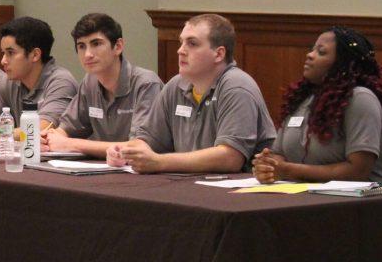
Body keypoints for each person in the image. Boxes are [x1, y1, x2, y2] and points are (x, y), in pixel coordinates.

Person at [118, 13, 275, 174]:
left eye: (192, 44)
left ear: (219, 54)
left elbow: (230, 158)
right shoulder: (176, 86)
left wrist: (159, 162)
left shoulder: (236, 87)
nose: (180, 51)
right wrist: (128, 153)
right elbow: (145, 139)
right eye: (181, 43)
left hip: (235, 192)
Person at [253, 27, 382, 184]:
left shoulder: (360, 99)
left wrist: (287, 170)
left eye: (321, 52)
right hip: (302, 197)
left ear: (343, 64)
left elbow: (358, 171)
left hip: (358, 202)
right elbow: (278, 155)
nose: (309, 55)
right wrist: (268, 167)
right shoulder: (301, 98)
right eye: (312, 50)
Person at [42, 13, 162, 158]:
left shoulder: (146, 84)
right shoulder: (90, 82)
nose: (87, 54)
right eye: (81, 46)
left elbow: (137, 147)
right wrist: (48, 139)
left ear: (118, 46)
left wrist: (71, 144)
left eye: (96, 44)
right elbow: (65, 130)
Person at [0, 16, 77, 144]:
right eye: (3, 53)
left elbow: (37, 130)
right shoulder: (9, 81)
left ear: (35, 55)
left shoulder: (61, 82)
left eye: (10, 53)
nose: (3, 61)